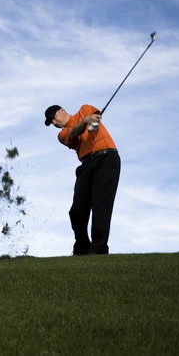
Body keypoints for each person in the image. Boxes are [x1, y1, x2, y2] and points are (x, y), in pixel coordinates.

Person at [44, 104, 121, 255]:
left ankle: (98, 249)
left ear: (62, 111)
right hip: (86, 164)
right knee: (77, 211)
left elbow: (94, 124)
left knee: (101, 205)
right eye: (51, 122)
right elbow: (74, 132)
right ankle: (82, 247)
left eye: (54, 118)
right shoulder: (62, 134)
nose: (54, 123)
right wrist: (86, 122)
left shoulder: (85, 109)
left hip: (107, 159)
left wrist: (91, 122)